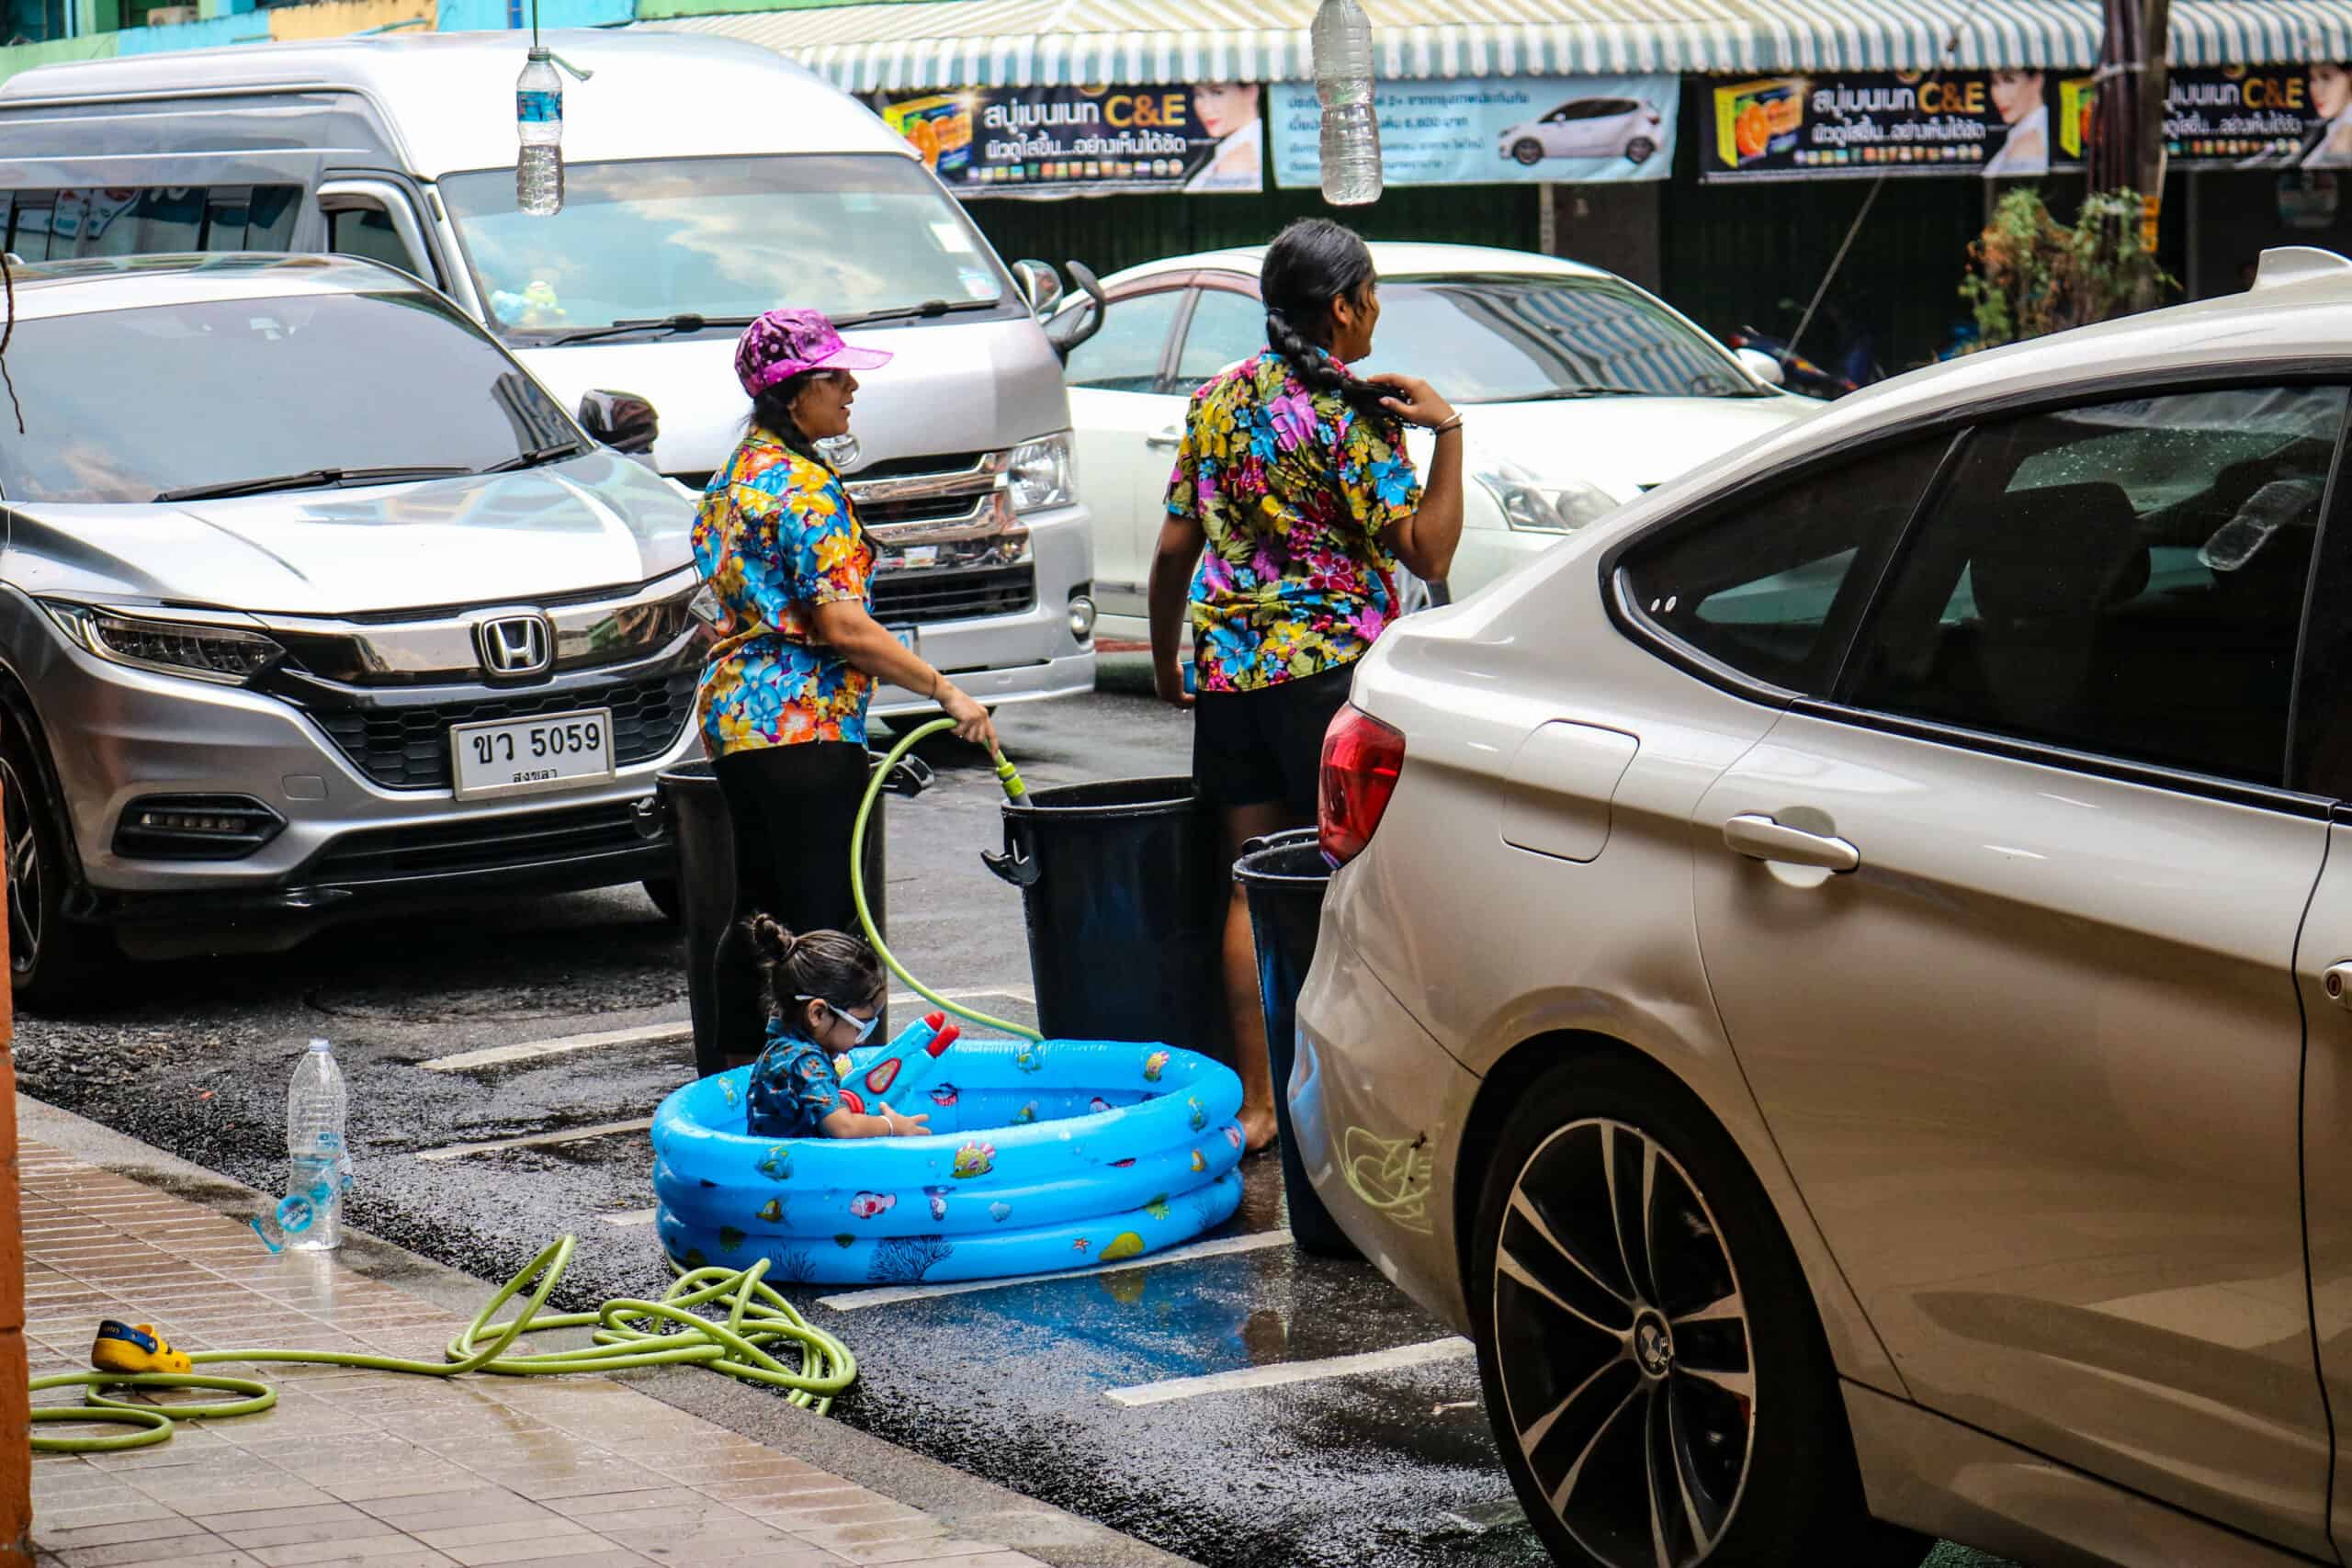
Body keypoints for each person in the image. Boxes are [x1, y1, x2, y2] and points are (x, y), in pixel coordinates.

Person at [1147, 218, 1464, 1152]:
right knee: (1361, 885)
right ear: (1341, 307)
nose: (1377, 313)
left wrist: (1171, 664)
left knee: (1252, 889)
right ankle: (1372, 1112)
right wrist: (1446, 430)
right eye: (1371, 294)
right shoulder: (1350, 412)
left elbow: (1175, 549)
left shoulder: (1215, 403)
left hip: (1234, 678)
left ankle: (1257, 1108)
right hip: (1331, 683)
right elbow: (1429, 548)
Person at [695, 307, 1000, 1069]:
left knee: (758, 915)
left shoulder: (734, 478)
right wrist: (945, 691)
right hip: (803, 725)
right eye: (835, 376)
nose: (852, 387)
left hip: (738, 721)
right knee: (821, 925)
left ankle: (735, 1084)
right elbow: (844, 627)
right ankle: (827, 1096)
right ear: (793, 394)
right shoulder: (802, 487)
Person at [741, 919, 929, 1139]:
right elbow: (843, 1127)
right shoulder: (804, 1061)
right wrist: (890, 1125)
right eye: (861, 1026)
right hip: (802, 1170)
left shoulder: (782, 1048)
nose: (863, 1039)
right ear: (818, 1014)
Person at [1186, 82, 1264, 193]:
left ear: (1251, 92)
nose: (1206, 109)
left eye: (1217, 93)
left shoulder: (1239, 160)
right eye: (1198, 95)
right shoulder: (1227, 149)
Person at [1984, 68, 2049, 177]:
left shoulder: (2027, 147)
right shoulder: (2023, 133)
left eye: (2009, 80)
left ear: (2037, 81)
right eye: (1994, 82)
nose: (1999, 95)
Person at [2309, 62, 2352, 167]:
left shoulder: (2346, 133)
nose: (2317, 90)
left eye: (2326, 77)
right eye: (2313, 79)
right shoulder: (2330, 125)